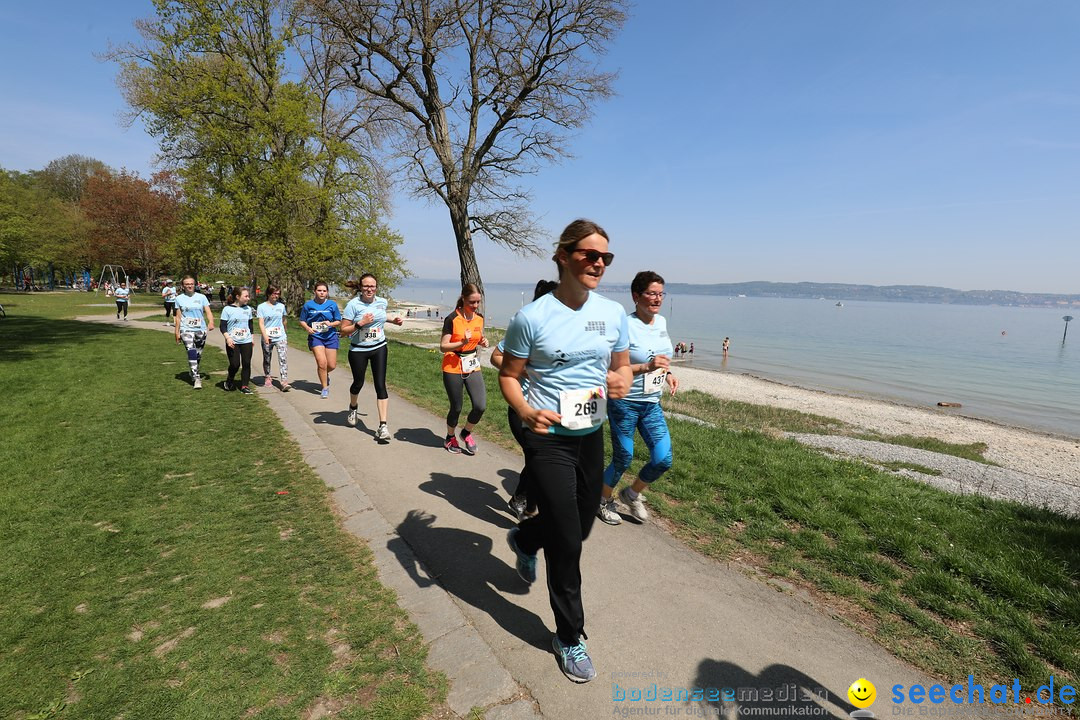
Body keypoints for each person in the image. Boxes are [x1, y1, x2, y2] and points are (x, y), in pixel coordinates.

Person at [499, 219, 631, 684]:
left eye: (605, 258)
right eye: (588, 255)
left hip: (590, 433)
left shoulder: (612, 313)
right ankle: (569, 636)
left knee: (582, 525)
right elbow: (509, 376)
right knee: (569, 543)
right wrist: (525, 409)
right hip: (547, 435)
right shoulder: (532, 317)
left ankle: (527, 537)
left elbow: (620, 369)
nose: (598, 263)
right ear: (563, 256)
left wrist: (623, 379)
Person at [597, 271, 679, 526]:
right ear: (636, 296)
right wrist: (646, 366)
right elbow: (610, 368)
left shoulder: (662, 322)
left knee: (663, 459)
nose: (657, 299)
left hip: (651, 403)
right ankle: (601, 500)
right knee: (623, 457)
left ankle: (632, 493)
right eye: (651, 294)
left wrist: (668, 373)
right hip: (624, 402)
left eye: (660, 294)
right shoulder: (625, 326)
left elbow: (660, 358)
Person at [491, 279, 558, 519]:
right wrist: (521, 370)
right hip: (523, 408)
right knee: (538, 458)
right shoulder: (526, 327)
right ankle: (526, 505)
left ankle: (527, 502)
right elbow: (495, 357)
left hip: (553, 409)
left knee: (543, 460)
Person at [340, 274, 403, 441]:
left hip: (379, 347)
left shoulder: (382, 302)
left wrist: (393, 320)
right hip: (358, 349)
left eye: (372, 286)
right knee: (358, 383)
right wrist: (360, 323)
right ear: (360, 287)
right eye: (366, 286)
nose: (369, 289)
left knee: (380, 385)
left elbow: (380, 316)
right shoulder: (353, 305)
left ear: (376, 287)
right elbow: (343, 330)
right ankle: (353, 407)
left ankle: (383, 426)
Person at [440, 284, 489, 455]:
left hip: (472, 364)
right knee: (457, 407)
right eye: (472, 302)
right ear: (463, 298)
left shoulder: (479, 318)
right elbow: (443, 346)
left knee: (480, 405)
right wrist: (461, 343)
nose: (475, 306)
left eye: (478, 302)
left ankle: (466, 432)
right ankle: (450, 437)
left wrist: (482, 341)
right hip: (452, 364)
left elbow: (477, 337)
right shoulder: (452, 318)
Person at [299, 282, 342, 398]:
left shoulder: (332, 305)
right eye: (319, 290)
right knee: (322, 363)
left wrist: (331, 323)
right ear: (315, 292)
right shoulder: (308, 305)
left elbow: (339, 321)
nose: (322, 293)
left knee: (331, 365)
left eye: (324, 291)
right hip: (316, 337)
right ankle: (324, 387)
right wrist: (307, 328)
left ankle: (324, 373)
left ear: (327, 292)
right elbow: (302, 320)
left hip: (330, 336)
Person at [174, 276, 215, 389]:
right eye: (187, 284)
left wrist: (211, 322)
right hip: (186, 328)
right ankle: (196, 378)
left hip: (200, 329)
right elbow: (178, 316)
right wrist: (177, 332)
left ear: (195, 284)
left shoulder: (202, 297)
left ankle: (193, 370)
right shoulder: (179, 299)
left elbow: (208, 311)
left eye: (191, 283)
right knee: (191, 351)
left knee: (197, 354)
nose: (189, 286)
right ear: (183, 286)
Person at [221, 286, 256, 394]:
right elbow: (223, 326)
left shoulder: (248, 309)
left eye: (248, 296)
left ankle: (244, 386)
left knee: (246, 363)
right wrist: (228, 338)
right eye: (245, 296)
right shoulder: (227, 309)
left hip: (246, 340)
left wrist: (252, 338)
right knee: (235, 364)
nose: (248, 298)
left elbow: (250, 325)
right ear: (237, 296)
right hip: (233, 341)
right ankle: (229, 379)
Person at [257, 285, 290, 391]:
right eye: (274, 293)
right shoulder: (261, 307)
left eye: (278, 294)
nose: (276, 296)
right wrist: (265, 336)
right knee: (267, 358)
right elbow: (261, 323)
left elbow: (284, 320)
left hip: (280, 336)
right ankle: (267, 376)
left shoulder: (281, 306)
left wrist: (285, 332)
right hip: (267, 337)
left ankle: (284, 381)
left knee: (283, 358)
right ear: (268, 294)